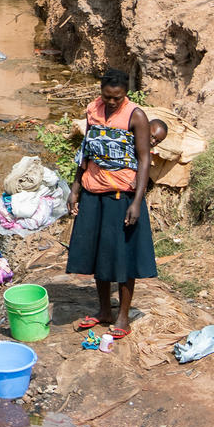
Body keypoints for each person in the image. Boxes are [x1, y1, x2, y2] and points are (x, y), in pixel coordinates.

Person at [68, 68, 158, 338]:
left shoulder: (136, 116)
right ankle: (104, 310)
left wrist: (137, 202)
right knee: (100, 254)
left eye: (117, 98)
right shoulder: (93, 110)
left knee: (123, 258)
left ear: (125, 95)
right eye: (107, 96)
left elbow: (144, 160)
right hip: (94, 191)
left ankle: (122, 317)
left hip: (122, 195)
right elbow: (85, 151)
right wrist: (75, 188)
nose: (111, 102)